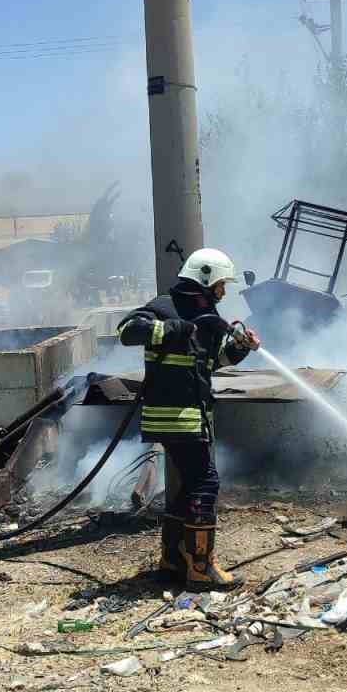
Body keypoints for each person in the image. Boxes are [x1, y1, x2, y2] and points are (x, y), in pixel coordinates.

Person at [117, 248, 260, 590]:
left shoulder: (208, 316)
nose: (223, 292)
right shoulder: (165, 306)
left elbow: (212, 362)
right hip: (175, 416)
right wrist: (172, 328)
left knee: (188, 489)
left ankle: (173, 561)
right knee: (206, 484)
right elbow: (127, 331)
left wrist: (240, 347)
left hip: (192, 415)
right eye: (221, 284)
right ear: (205, 278)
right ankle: (200, 567)